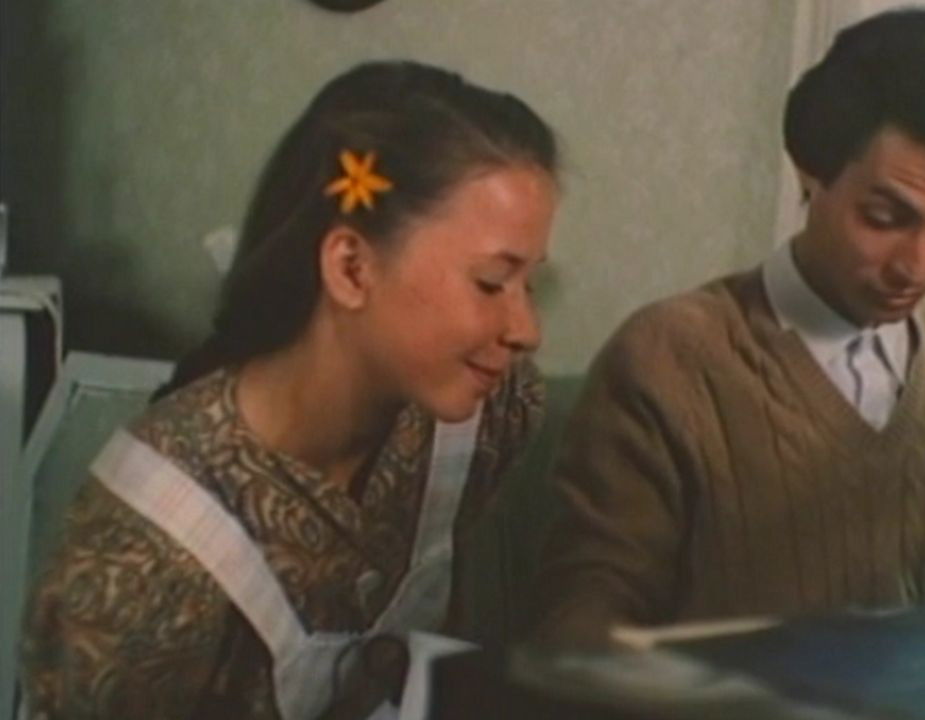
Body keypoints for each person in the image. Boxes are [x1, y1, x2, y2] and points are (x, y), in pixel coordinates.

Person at [22, 60, 559, 718]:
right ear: (352, 267)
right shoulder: (142, 556)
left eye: (530, 284)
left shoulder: (487, 417)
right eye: (490, 283)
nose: (527, 329)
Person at [530, 8, 925, 646]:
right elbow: (582, 624)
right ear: (811, 169)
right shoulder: (666, 359)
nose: (916, 267)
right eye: (884, 217)